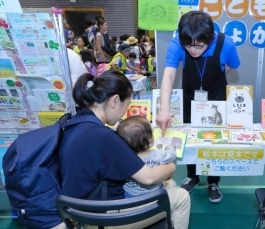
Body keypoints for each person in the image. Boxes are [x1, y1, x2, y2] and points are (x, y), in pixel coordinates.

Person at [55, 71, 190, 229]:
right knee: (181, 196)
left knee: (170, 183)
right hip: (103, 217)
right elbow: (148, 178)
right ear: (115, 101)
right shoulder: (106, 137)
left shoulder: (77, 122)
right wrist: (173, 165)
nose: (126, 112)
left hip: (80, 209)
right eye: (127, 105)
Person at [156, 11, 240, 203]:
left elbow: (231, 66)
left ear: (208, 38)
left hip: (216, 97)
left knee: (213, 140)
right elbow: (168, 76)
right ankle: (192, 176)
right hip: (190, 95)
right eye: (188, 45)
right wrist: (164, 109)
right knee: (190, 137)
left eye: (198, 45)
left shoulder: (225, 43)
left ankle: (213, 181)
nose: (192, 50)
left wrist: (217, 73)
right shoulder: (177, 43)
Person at [116, 115, 177, 198]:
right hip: (154, 194)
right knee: (177, 190)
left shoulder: (124, 158)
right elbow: (172, 155)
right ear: (149, 139)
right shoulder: (159, 155)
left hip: (129, 197)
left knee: (171, 183)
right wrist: (170, 147)